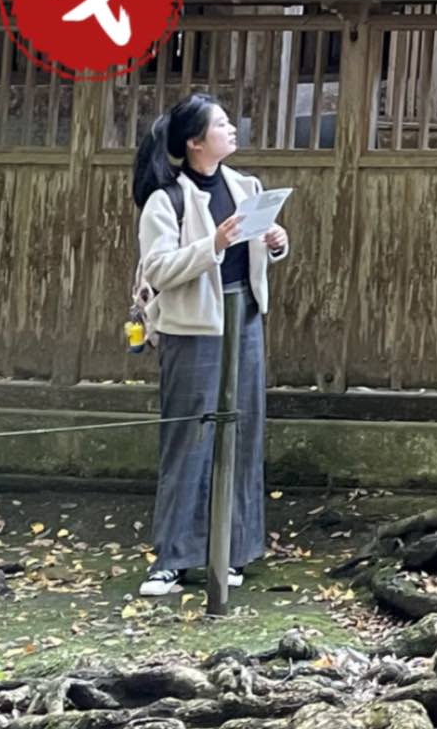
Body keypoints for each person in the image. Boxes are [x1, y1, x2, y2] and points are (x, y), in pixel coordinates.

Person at [129, 93, 289, 597]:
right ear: (196, 142)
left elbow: (259, 253)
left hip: (244, 317)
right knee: (189, 440)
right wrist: (213, 245)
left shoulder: (247, 186)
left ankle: (234, 551)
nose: (232, 129)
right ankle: (172, 559)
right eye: (221, 124)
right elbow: (158, 269)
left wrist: (276, 244)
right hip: (192, 327)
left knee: (242, 434)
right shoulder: (167, 199)